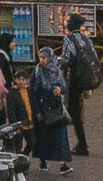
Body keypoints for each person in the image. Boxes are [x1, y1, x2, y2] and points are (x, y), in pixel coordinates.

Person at [32, 46, 74, 174]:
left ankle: (63, 164)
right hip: (43, 108)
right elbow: (33, 93)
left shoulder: (56, 71)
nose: (42, 60)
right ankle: (43, 162)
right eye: (40, 57)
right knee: (44, 137)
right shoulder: (37, 72)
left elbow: (64, 87)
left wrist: (59, 90)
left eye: (44, 57)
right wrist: (37, 111)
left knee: (60, 137)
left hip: (56, 109)